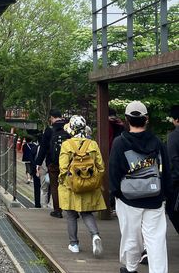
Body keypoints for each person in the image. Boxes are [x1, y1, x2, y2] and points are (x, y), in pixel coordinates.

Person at [109, 100, 172, 273]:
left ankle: (130, 268)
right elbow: (166, 170)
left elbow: (113, 171)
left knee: (131, 237)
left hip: (128, 198)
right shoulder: (157, 142)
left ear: (127, 119)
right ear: (146, 119)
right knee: (156, 240)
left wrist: (115, 194)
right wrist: (166, 194)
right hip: (154, 197)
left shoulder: (119, 143)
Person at [58, 115, 106, 255]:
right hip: (88, 185)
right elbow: (101, 167)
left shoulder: (67, 144)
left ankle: (74, 244)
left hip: (71, 186)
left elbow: (63, 168)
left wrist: (64, 181)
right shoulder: (92, 144)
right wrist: (93, 181)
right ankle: (95, 235)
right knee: (87, 213)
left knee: (71, 215)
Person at [36, 109, 68, 218]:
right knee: (68, 185)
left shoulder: (49, 130)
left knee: (55, 186)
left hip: (53, 162)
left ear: (52, 117)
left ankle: (57, 210)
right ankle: (72, 210)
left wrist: (38, 163)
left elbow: (43, 148)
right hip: (67, 162)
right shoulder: (67, 128)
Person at [166, 105, 179, 234]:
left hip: (176, 181)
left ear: (176, 120)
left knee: (172, 210)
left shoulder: (174, 136)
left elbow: (173, 159)